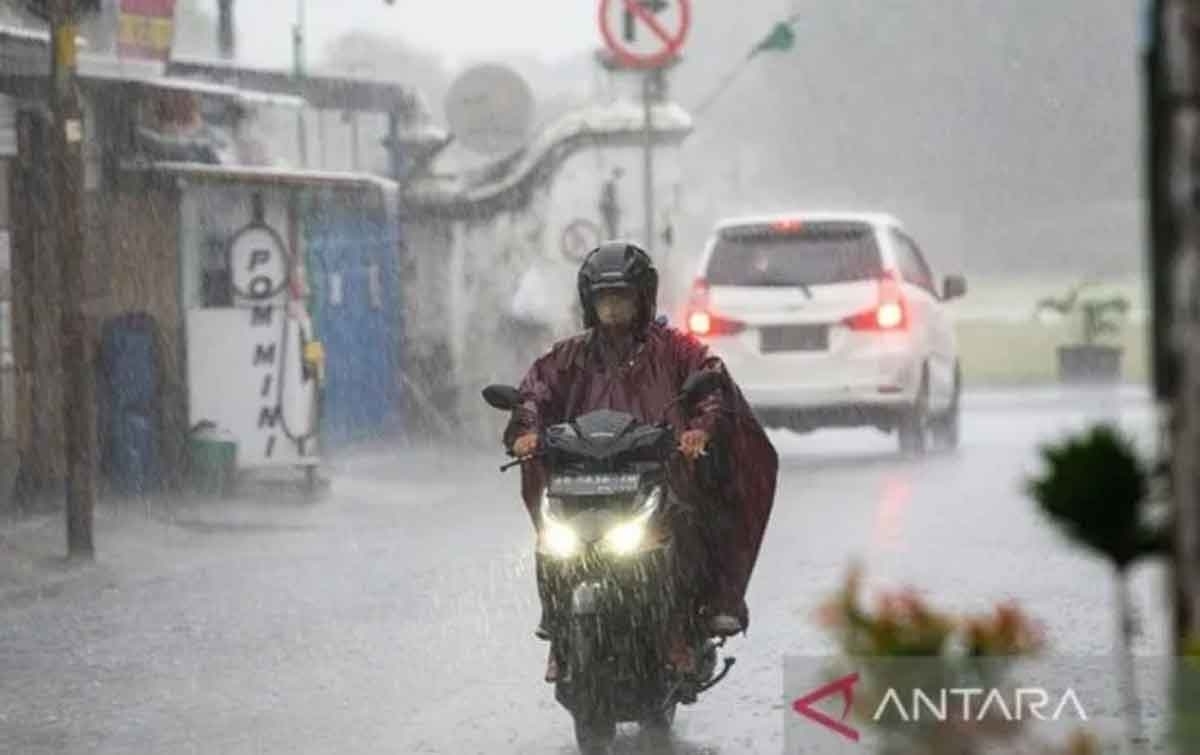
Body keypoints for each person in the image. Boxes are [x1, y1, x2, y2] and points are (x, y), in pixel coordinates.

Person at [502, 241, 778, 679]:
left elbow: (710, 386)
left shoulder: (677, 349)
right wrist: (527, 431)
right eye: (603, 298)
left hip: (657, 477)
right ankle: (559, 629)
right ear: (589, 302)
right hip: (582, 481)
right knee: (552, 540)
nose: (612, 308)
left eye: (621, 297)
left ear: (642, 297)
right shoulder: (567, 356)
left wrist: (698, 431)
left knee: (685, 525)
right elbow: (534, 392)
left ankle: (680, 631)